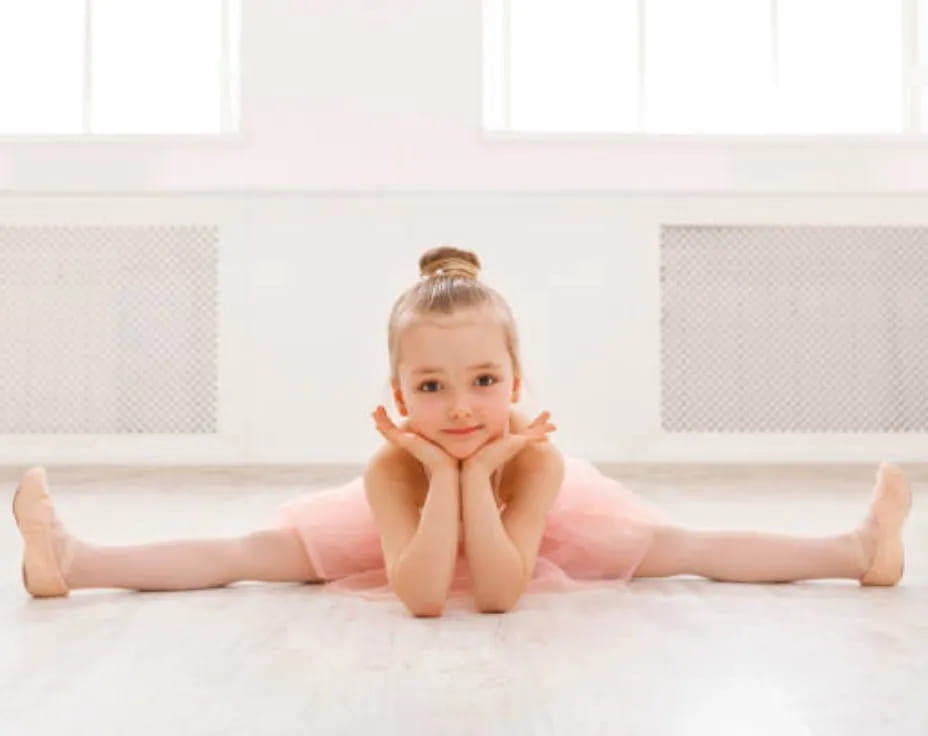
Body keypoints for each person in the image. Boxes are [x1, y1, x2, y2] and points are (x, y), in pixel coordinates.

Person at [12, 246, 913, 617]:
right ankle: (74, 560)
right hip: (406, 530)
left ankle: (856, 546)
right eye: (431, 387)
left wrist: (492, 470)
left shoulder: (541, 458)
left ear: (517, 382)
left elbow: (498, 592)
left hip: (516, 530)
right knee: (251, 551)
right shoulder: (391, 469)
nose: (460, 409)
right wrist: (441, 473)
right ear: (398, 393)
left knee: (682, 543)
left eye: (484, 383)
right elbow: (424, 598)